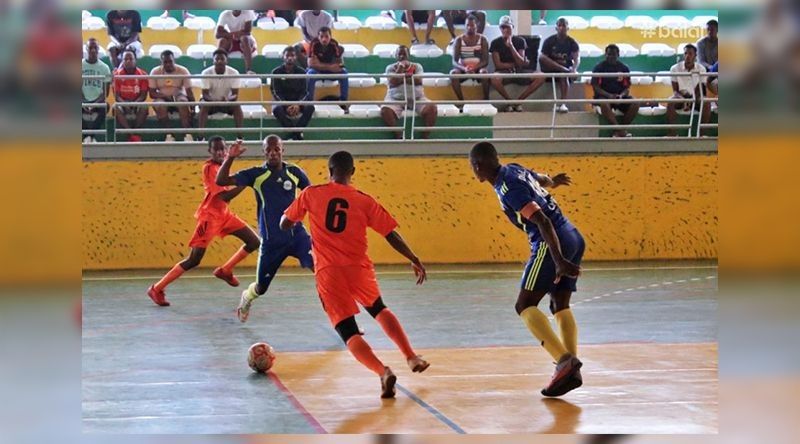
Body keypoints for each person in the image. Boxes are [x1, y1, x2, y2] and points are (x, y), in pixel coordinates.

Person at [279, 150, 430, 399]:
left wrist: (300, 222)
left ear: (329, 171)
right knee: (379, 309)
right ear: (352, 172)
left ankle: (382, 372)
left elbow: (285, 222)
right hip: (358, 268)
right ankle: (411, 356)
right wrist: (413, 258)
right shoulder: (363, 200)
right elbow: (390, 233)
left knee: (347, 330)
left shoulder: (311, 194)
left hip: (329, 272)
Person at [469, 141, 584, 397]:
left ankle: (564, 362)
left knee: (524, 305)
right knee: (560, 304)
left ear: (478, 166)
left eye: (472, 168)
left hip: (550, 241)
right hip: (572, 234)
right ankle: (569, 367)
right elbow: (539, 178)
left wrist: (559, 260)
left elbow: (542, 220)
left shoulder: (508, 188)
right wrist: (553, 181)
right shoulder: (514, 169)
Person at [147, 136, 260, 307]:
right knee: (194, 259)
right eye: (217, 149)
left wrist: (236, 164)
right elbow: (225, 196)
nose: (221, 152)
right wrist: (245, 182)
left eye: (223, 148)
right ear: (210, 151)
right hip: (210, 218)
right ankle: (156, 288)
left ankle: (225, 270)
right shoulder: (209, 169)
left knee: (254, 241)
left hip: (225, 215)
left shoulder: (221, 166)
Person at [215, 135, 314, 323]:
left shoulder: (294, 172)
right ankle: (247, 297)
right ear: (264, 152)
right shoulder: (256, 175)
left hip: (297, 237)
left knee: (321, 269)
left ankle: (341, 320)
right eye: (268, 150)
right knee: (261, 287)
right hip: (272, 242)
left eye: (276, 149)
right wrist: (230, 157)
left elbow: (312, 195)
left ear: (282, 150)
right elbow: (221, 181)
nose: (273, 153)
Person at [380, 45, 438, 139]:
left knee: (432, 108)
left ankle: (425, 137)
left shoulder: (417, 66)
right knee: (385, 111)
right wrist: (401, 69)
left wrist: (401, 78)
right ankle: (398, 135)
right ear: (396, 56)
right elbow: (392, 82)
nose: (402, 56)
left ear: (409, 55)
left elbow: (418, 81)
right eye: (399, 54)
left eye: (404, 54)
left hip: (417, 98)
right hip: (395, 99)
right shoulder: (390, 68)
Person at [489, 16, 543, 112]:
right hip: (503, 72)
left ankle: (518, 102)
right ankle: (509, 102)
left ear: (512, 27)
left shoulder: (520, 41)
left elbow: (520, 63)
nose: (505, 30)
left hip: (520, 71)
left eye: (508, 27)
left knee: (541, 76)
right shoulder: (495, 43)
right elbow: (498, 65)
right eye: (503, 27)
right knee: (494, 79)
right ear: (500, 28)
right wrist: (516, 64)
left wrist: (511, 46)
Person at [591, 44, 640, 137]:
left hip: (619, 97)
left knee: (636, 103)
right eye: (609, 54)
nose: (611, 57)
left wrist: (621, 96)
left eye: (613, 54)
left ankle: (620, 130)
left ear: (618, 55)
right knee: (604, 103)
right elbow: (596, 87)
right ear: (605, 54)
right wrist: (609, 96)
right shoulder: (599, 68)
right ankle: (619, 130)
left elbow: (627, 88)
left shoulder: (624, 68)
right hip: (604, 97)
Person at [149, 49, 195, 142]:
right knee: (159, 105)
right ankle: (169, 134)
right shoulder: (155, 72)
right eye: (165, 62)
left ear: (174, 60)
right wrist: (164, 96)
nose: (168, 64)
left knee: (182, 102)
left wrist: (193, 106)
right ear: (161, 62)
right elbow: (152, 93)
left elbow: (189, 91)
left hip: (179, 95)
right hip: (162, 97)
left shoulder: (183, 71)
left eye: (170, 61)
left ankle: (188, 134)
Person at [666, 44, 711, 136]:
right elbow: (675, 90)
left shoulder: (701, 69)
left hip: (696, 96)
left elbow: (701, 89)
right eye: (685, 53)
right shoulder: (674, 68)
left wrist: (691, 99)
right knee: (670, 102)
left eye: (690, 54)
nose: (687, 56)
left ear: (695, 56)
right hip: (680, 97)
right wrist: (684, 99)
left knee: (706, 103)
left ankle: (702, 135)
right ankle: (672, 134)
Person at [271, 46, 315, 140]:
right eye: (287, 55)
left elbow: (305, 92)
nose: (290, 58)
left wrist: (297, 104)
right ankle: (296, 134)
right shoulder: (276, 72)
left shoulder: (302, 72)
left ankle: (294, 134)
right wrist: (286, 105)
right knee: (276, 110)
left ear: (296, 57)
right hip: (282, 102)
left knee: (310, 107)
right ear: (283, 57)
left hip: (298, 101)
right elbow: (276, 92)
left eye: (292, 55)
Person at [199, 49, 244, 139]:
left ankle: (240, 137)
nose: (219, 61)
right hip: (210, 102)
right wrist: (215, 101)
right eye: (217, 59)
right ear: (213, 61)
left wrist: (227, 100)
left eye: (222, 59)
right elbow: (205, 95)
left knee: (237, 105)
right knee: (204, 104)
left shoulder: (234, 73)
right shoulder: (206, 73)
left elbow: (235, 95)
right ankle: (200, 137)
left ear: (226, 61)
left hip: (226, 102)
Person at [539, 18, 580, 113]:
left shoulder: (572, 42)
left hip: (565, 71)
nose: (561, 28)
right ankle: (564, 70)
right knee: (542, 57)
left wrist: (574, 69)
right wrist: (562, 68)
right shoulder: (549, 41)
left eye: (564, 25)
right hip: (551, 69)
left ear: (568, 28)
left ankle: (562, 104)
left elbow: (576, 59)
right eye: (559, 25)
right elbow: (542, 57)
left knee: (564, 75)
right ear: (556, 28)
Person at [306, 27, 348, 113]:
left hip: (328, 71)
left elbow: (339, 64)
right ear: (318, 37)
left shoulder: (334, 44)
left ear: (330, 37)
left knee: (344, 73)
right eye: (321, 36)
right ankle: (309, 103)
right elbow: (311, 64)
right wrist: (330, 66)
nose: (324, 39)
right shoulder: (314, 43)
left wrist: (319, 64)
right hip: (317, 71)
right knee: (310, 74)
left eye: (326, 36)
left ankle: (343, 102)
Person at [450, 14, 490, 104]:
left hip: (478, 69)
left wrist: (474, 68)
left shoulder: (483, 39)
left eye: (472, 25)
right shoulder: (459, 40)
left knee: (484, 72)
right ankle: (462, 102)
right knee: (453, 74)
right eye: (467, 25)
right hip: (464, 69)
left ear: (477, 26)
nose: (469, 27)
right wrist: (465, 68)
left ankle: (487, 100)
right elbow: (454, 61)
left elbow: (485, 61)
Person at [112, 49, 149, 142]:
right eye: (125, 59)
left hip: (137, 101)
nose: (128, 61)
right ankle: (131, 134)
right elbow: (116, 96)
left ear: (135, 60)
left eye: (130, 59)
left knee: (145, 107)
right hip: (123, 102)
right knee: (115, 108)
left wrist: (134, 104)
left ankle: (135, 132)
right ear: (122, 61)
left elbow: (143, 95)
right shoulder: (117, 75)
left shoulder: (143, 74)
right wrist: (125, 104)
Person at [82, 38, 110, 143]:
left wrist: (94, 104)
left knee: (105, 106)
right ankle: (89, 137)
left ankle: (89, 136)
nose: (93, 50)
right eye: (90, 48)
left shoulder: (105, 68)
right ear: (86, 49)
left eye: (95, 48)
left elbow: (105, 93)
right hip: (82, 100)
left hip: (97, 102)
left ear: (98, 50)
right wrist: (84, 103)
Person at [216, 10, 257, 74]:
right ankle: (219, 69)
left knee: (244, 39)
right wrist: (234, 34)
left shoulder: (248, 12)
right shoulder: (225, 14)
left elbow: (247, 31)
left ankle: (248, 70)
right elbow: (218, 34)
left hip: (245, 40)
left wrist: (229, 34)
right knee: (222, 41)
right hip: (231, 39)